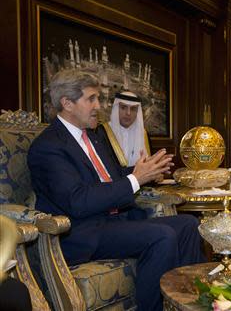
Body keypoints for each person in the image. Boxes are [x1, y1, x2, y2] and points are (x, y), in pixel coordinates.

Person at [27, 69, 204, 311]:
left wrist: (146, 172)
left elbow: (113, 175)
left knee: (188, 225)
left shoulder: (95, 136)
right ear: (67, 103)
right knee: (162, 236)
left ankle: (187, 304)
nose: (98, 106)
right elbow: (78, 200)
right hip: (81, 232)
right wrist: (135, 178)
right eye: (91, 99)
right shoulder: (48, 147)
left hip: (114, 221)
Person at [96, 91, 153, 168]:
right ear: (116, 109)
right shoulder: (102, 132)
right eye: (123, 108)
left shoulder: (144, 134)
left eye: (133, 109)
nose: (128, 113)